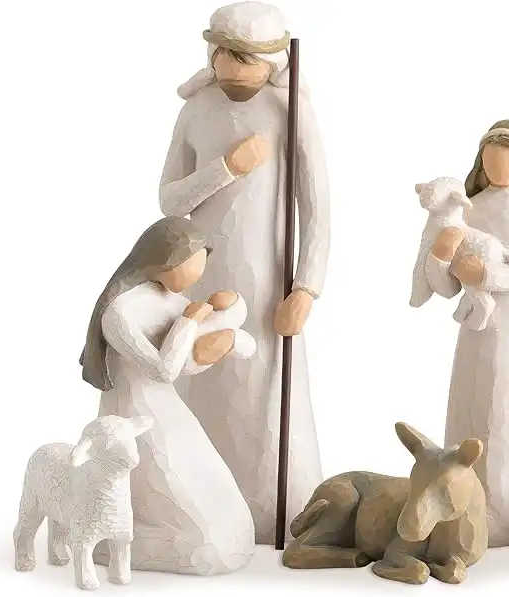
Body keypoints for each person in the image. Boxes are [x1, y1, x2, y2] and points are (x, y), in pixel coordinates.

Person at [158, 1, 330, 543]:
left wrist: (306, 287)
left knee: (267, 390)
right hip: (202, 278)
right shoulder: (197, 110)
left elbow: (317, 209)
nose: (231, 66)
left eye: (246, 57)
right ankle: (203, 509)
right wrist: (226, 169)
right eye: (224, 54)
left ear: (271, 61)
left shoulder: (291, 110)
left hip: (268, 284)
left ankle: (282, 510)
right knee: (204, 382)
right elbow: (170, 201)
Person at [412, 120, 509, 547]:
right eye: (491, 159)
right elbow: (446, 287)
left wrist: (487, 274)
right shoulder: (468, 208)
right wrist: (441, 259)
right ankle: (468, 505)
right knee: (475, 404)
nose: (499, 166)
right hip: (477, 329)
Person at [79, 216, 256, 574]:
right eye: (190, 269)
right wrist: (190, 322)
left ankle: (177, 540)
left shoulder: (167, 296)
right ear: (164, 261)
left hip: (167, 409)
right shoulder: (119, 312)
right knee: (206, 539)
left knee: (229, 522)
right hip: (135, 419)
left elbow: (185, 356)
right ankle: (104, 540)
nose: (195, 280)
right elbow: (164, 369)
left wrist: (231, 321)